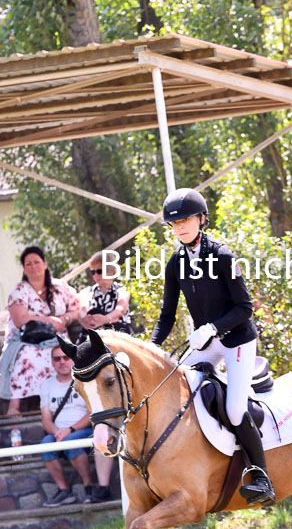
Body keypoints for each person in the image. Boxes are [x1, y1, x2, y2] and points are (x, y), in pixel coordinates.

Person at [151, 188, 275, 507]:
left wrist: (211, 327)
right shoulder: (175, 263)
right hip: (206, 344)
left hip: (236, 340)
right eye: (174, 223)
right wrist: (150, 348)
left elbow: (244, 307)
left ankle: (261, 476)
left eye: (186, 220)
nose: (180, 227)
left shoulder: (222, 256)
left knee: (234, 408)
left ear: (201, 219)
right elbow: (166, 316)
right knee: (173, 388)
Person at [0, 245, 80, 416]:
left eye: (37, 262)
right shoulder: (20, 290)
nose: (33, 267)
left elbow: (77, 309)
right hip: (26, 338)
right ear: (24, 268)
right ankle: (14, 406)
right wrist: (49, 321)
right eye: (28, 264)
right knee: (27, 356)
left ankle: (69, 400)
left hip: (56, 337)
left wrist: (64, 319)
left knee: (63, 354)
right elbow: (20, 320)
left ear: (45, 263)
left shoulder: (59, 287)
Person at [39, 344, 112, 506]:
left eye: (65, 358)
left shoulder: (84, 380)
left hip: (82, 429)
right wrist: (57, 432)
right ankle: (64, 490)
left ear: (72, 360)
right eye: (57, 358)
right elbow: (46, 418)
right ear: (52, 362)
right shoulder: (47, 385)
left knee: (71, 442)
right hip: (59, 432)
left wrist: (70, 430)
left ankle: (88, 486)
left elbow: (92, 412)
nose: (62, 362)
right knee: (45, 445)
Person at [78, 251, 132, 339]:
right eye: (93, 272)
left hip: (118, 333)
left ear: (111, 271)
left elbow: (120, 310)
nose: (95, 275)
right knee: (93, 313)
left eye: (99, 271)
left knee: (95, 312)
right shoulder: (86, 292)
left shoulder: (122, 290)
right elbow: (82, 310)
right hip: (94, 332)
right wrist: (85, 319)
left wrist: (105, 319)